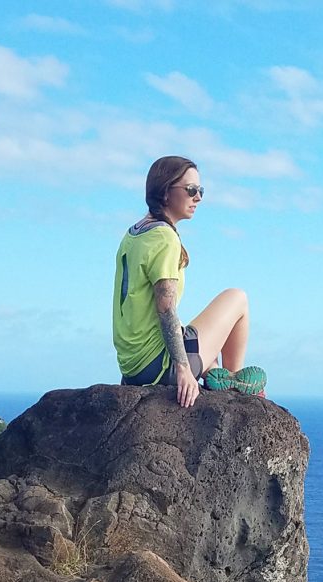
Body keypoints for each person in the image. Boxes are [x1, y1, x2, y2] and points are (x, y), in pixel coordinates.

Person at [113, 155, 264, 408]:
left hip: (133, 366)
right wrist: (183, 369)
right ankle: (236, 388)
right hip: (160, 367)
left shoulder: (134, 234)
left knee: (208, 356)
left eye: (200, 190)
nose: (198, 197)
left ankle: (216, 373)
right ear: (165, 192)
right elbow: (165, 308)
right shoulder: (164, 238)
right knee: (237, 298)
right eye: (191, 190)